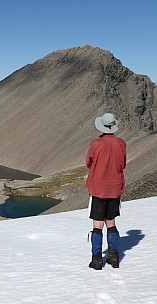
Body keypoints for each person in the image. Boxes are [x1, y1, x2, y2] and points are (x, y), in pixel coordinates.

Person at [86, 113, 126, 270]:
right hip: (115, 188)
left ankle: (96, 260)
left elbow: (88, 162)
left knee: (97, 225)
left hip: (98, 189)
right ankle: (114, 257)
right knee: (111, 223)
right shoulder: (121, 143)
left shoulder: (96, 144)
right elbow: (122, 164)